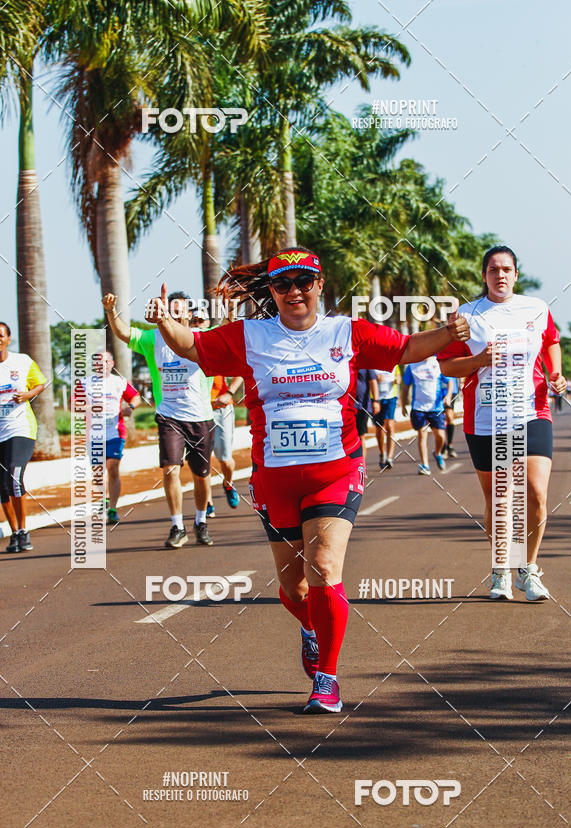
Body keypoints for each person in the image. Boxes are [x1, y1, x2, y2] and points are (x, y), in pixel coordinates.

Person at [145, 246, 470, 713]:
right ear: (272, 291)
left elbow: (406, 349)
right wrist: (163, 321)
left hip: (336, 470)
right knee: (294, 588)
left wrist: (447, 330)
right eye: (282, 284)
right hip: (274, 478)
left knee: (324, 567)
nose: (294, 291)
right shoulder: (249, 336)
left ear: (319, 285)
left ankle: (327, 679)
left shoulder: (347, 331)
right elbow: (192, 346)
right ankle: (311, 627)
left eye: (303, 282)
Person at [438, 245, 566, 602]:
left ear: (516, 273)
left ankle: (528, 568)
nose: (501, 275)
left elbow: (551, 342)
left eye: (507, 269)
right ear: (484, 275)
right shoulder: (467, 315)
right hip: (485, 417)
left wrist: (555, 372)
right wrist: (479, 359)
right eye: (493, 269)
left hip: (532, 410)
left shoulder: (537, 309)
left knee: (536, 493)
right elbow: (447, 366)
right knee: (500, 498)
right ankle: (500, 570)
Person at [102, 290, 215, 548]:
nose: (174, 312)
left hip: (201, 417)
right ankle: (177, 525)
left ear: (189, 314)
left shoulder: (203, 338)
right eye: (169, 308)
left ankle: (200, 521)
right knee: (170, 469)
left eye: (179, 309)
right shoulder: (153, 339)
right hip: (169, 416)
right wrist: (111, 311)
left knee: (202, 474)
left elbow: (231, 331)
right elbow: (123, 333)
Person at [73, 351, 141, 524]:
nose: (101, 365)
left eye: (104, 362)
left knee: (112, 467)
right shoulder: (84, 383)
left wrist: (131, 407)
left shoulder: (119, 382)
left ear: (111, 363)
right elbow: (74, 404)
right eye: (97, 362)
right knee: (97, 473)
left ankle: (112, 508)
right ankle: (103, 499)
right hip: (93, 433)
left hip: (115, 432)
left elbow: (135, 396)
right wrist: (89, 406)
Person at [0, 321, 49, 553]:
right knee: (2, 487)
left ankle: (24, 530)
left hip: (20, 428)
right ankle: (15, 533)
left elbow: (40, 383)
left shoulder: (22, 361)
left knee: (14, 475)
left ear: (9, 338)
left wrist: (28, 394)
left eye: (1, 335)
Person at [400, 358, 450, 475]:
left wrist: (448, 396)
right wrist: (403, 405)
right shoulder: (412, 366)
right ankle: (425, 465)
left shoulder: (438, 362)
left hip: (436, 407)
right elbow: (405, 386)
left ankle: (437, 453)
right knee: (422, 434)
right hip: (419, 407)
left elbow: (449, 381)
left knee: (441, 436)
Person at [206, 373, 244, 515]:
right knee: (203, 461)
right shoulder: (187, 354)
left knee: (225, 460)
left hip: (220, 408)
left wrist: (229, 393)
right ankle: (207, 502)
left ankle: (228, 484)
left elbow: (239, 371)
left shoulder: (218, 351)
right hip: (198, 411)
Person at [373, 367, 400, 470]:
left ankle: (389, 457)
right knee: (379, 428)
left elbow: (399, 378)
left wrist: (396, 380)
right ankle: (382, 453)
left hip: (390, 398)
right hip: (377, 398)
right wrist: (376, 379)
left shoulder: (394, 364)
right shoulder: (373, 365)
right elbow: (369, 379)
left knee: (389, 425)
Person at [354, 369, 380, 459]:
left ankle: (361, 466)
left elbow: (373, 381)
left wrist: (376, 401)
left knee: (360, 436)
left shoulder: (366, 362)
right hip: (347, 407)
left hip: (361, 407)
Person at [442, 376, 460, 458]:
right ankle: (443, 446)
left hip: (452, 390)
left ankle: (450, 445)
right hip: (437, 390)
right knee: (440, 419)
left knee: (449, 416)